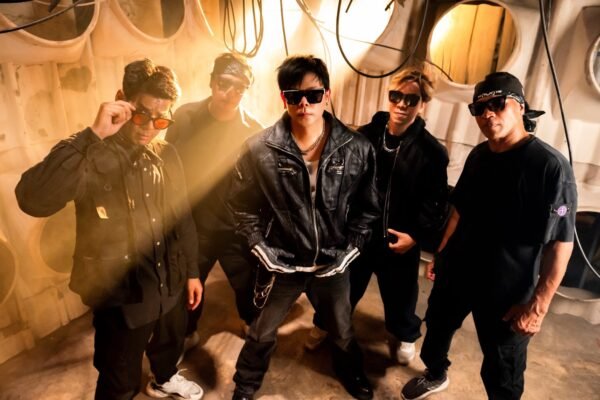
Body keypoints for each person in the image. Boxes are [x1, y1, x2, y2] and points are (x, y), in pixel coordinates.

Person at [15, 59, 204, 400]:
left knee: (169, 343)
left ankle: (164, 377)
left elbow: (182, 218)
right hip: (123, 298)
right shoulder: (91, 154)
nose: (149, 128)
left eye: (161, 120)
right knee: (119, 379)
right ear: (122, 100)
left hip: (170, 282)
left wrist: (191, 272)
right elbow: (32, 199)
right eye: (141, 115)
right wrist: (92, 135)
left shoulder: (166, 154)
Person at [401, 72, 577, 400]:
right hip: (458, 272)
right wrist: (442, 254)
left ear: (521, 107)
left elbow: (561, 243)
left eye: (498, 104)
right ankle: (436, 374)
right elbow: (458, 211)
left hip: (507, 288)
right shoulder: (479, 155)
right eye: (479, 108)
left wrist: (537, 307)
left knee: (502, 366)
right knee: (436, 329)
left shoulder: (550, 167)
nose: (487, 114)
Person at [228, 55, 380, 400]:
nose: (304, 104)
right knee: (261, 331)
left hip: (332, 262)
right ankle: (246, 385)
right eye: (294, 95)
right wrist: (262, 248)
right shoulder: (259, 148)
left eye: (313, 94)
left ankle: (351, 372)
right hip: (282, 262)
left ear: (327, 95)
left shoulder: (357, 147)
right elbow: (240, 207)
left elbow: (368, 209)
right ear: (283, 98)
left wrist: (348, 252)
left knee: (341, 329)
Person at [305, 68, 449, 365]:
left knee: (401, 296)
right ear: (389, 97)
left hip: (400, 239)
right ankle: (324, 324)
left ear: (423, 104)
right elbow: (343, 184)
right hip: (359, 234)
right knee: (343, 288)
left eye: (411, 99)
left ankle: (404, 335)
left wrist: (416, 237)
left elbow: (435, 201)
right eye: (396, 96)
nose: (402, 104)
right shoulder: (365, 136)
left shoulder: (432, 151)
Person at [165, 53, 263, 347]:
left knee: (247, 283)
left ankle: (250, 321)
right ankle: (187, 333)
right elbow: (167, 164)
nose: (230, 93)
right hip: (194, 225)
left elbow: (260, 183)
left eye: (239, 87)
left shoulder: (253, 130)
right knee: (188, 287)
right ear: (212, 82)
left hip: (235, 227)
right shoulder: (184, 117)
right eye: (224, 83)